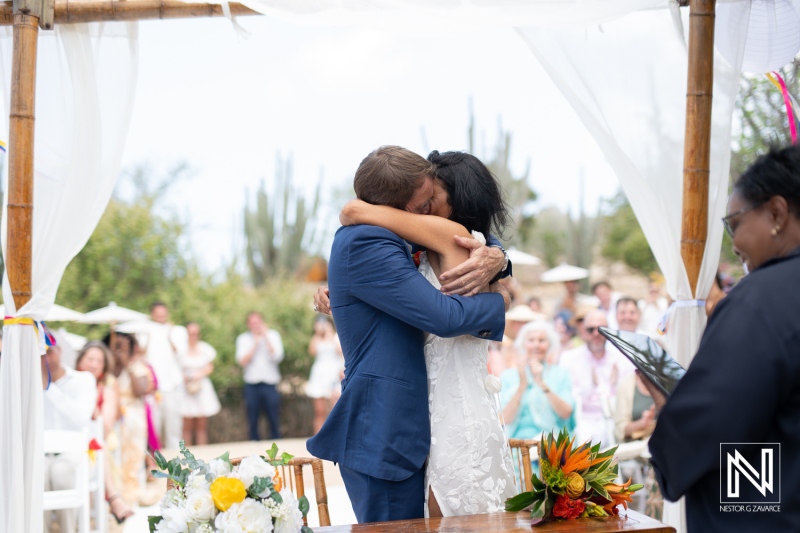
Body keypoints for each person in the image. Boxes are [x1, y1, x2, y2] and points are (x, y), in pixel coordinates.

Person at [307, 146, 510, 523]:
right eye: (423, 204)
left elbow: (461, 234)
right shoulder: (366, 242)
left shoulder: (397, 236)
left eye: (434, 198)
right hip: (382, 432)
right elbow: (444, 317)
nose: (428, 209)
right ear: (395, 209)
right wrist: (502, 302)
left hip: (414, 427)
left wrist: (498, 254)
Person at [648, 145, 800, 531]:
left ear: (777, 213)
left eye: (734, 223)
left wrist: (668, 405)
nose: (732, 242)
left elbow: (711, 427)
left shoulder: (762, 300)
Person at [75, 341, 135, 524]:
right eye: (90, 359)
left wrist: (91, 399)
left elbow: (105, 427)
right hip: (74, 440)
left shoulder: (107, 388)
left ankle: (111, 501)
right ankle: (114, 499)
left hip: (99, 439)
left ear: (104, 366)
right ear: (80, 361)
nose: (93, 364)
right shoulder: (66, 383)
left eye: (99, 361)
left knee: (97, 445)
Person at [42, 344, 97, 533]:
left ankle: (68, 529)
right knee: (38, 473)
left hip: (74, 454)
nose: (45, 359)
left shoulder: (83, 380)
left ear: (59, 351)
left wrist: (48, 387)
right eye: (39, 354)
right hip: (42, 453)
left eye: (48, 352)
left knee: (61, 471)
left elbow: (81, 419)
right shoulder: (27, 382)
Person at [559, 309, 633, 446]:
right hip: (584, 421)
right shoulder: (569, 358)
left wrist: (607, 387)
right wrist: (596, 386)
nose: (596, 334)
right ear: (583, 331)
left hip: (617, 420)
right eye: (590, 329)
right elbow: (572, 398)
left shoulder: (622, 357)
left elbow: (628, 396)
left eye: (601, 329)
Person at [500, 321, 575, 439]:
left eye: (542, 340)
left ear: (550, 345)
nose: (536, 345)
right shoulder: (508, 376)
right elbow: (505, 419)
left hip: (552, 445)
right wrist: (522, 385)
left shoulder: (561, 373)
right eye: (531, 340)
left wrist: (541, 383)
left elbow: (566, 413)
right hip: (518, 446)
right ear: (523, 344)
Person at [144, 302, 187, 449]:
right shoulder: (145, 330)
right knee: (153, 426)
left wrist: (168, 335)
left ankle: (176, 458)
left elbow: (180, 353)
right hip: (153, 387)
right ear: (152, 314)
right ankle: (155, 459)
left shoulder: (178, 331)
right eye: (157, 313)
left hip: (172, 386)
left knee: (173, 426)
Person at [236, 311, 284, 440]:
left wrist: (266, 338)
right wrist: (255, 343)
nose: (256, 325)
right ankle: (254, 443)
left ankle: (276, 442)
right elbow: (242, 361)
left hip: (270, 383)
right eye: (252, 323)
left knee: (274, 417)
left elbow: (278, 357)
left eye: (257, 322)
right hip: (252, 384)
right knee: (252, 418)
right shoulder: (243, 339)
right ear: (248, 325)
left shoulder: (273, 335)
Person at [179, 322, 221, 445]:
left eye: (195, 333)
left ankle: (202, 452)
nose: (193, 336)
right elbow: (176, 368)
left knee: (201, 426)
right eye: (190, 333)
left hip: (201, 387)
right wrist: (185, 377)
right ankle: (186, 453)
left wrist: (199, 375)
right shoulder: (181, 349)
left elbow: (210, 367)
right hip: (186, 388)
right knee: (187, 425)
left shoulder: (205, 348)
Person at [305, 315, 343, 435]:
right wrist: (318, 334)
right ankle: (317, 437)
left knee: (335, 409)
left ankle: (335, 437)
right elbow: (311, 352)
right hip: (319, 374)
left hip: (333, 374)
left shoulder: (336, 337)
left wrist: (330, 335)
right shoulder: (316, 338)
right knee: (319, 411)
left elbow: (341, 352)